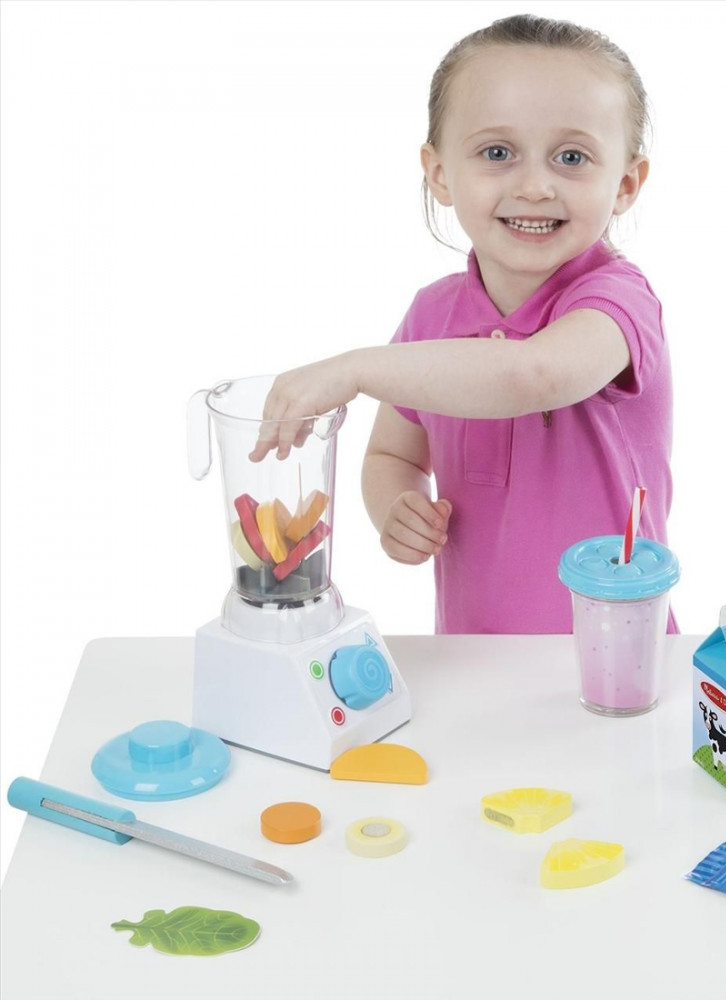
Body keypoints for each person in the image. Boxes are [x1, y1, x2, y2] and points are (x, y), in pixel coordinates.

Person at [250, 14, 676, 634]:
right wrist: (396, 506)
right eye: (497, 153)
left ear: (626, 183)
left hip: (616, 660)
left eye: (572, 157)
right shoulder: (432, 315)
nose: (535, 186)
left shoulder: (619, 302)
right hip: (468, 659)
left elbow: (534, 375)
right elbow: (392, 453)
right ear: (440, 173)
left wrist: (354, 370)